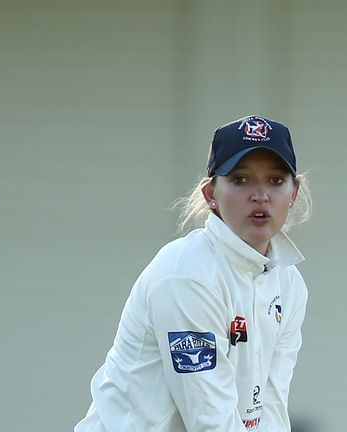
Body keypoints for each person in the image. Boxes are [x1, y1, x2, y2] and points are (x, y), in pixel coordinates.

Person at [75, 115, 312, 432]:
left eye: (276, 181)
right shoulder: (187, 275)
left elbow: (269, 409)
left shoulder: (289, 283)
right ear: (210, 194)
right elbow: (209, 422)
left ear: (294, 193)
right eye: (240, 180)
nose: (260, 195)